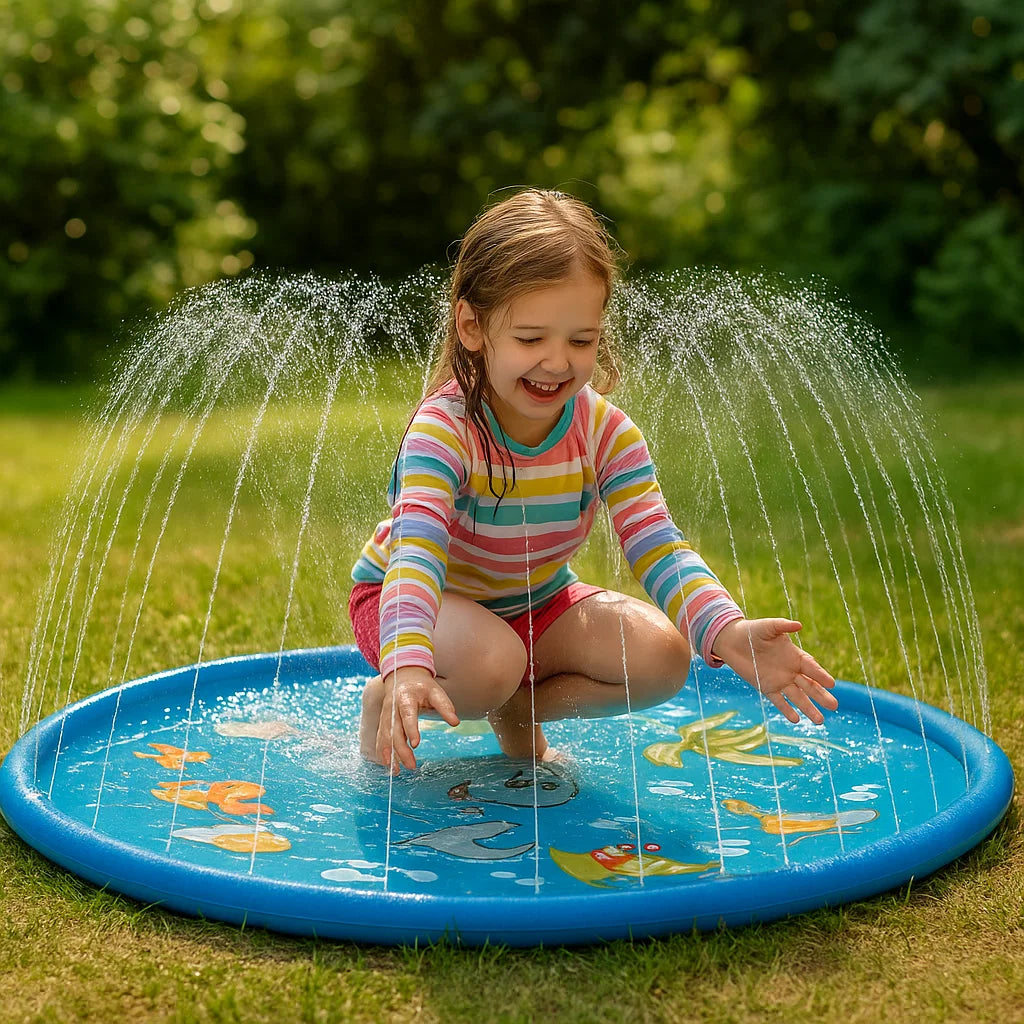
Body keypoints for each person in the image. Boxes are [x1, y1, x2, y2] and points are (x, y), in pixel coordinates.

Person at [349, 188, 837, 774]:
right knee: (491, 661)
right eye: (531, 338)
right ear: (473, 327)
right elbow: (418, 550)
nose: (558, 362)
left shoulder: (605, 432)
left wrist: (728, 631)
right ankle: (388, 695)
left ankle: (519, 709)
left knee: (661, 657)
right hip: (406, 604)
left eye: (581, 340)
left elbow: (657, 542)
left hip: (533, 602)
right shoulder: (445, 430)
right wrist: (407, 659)